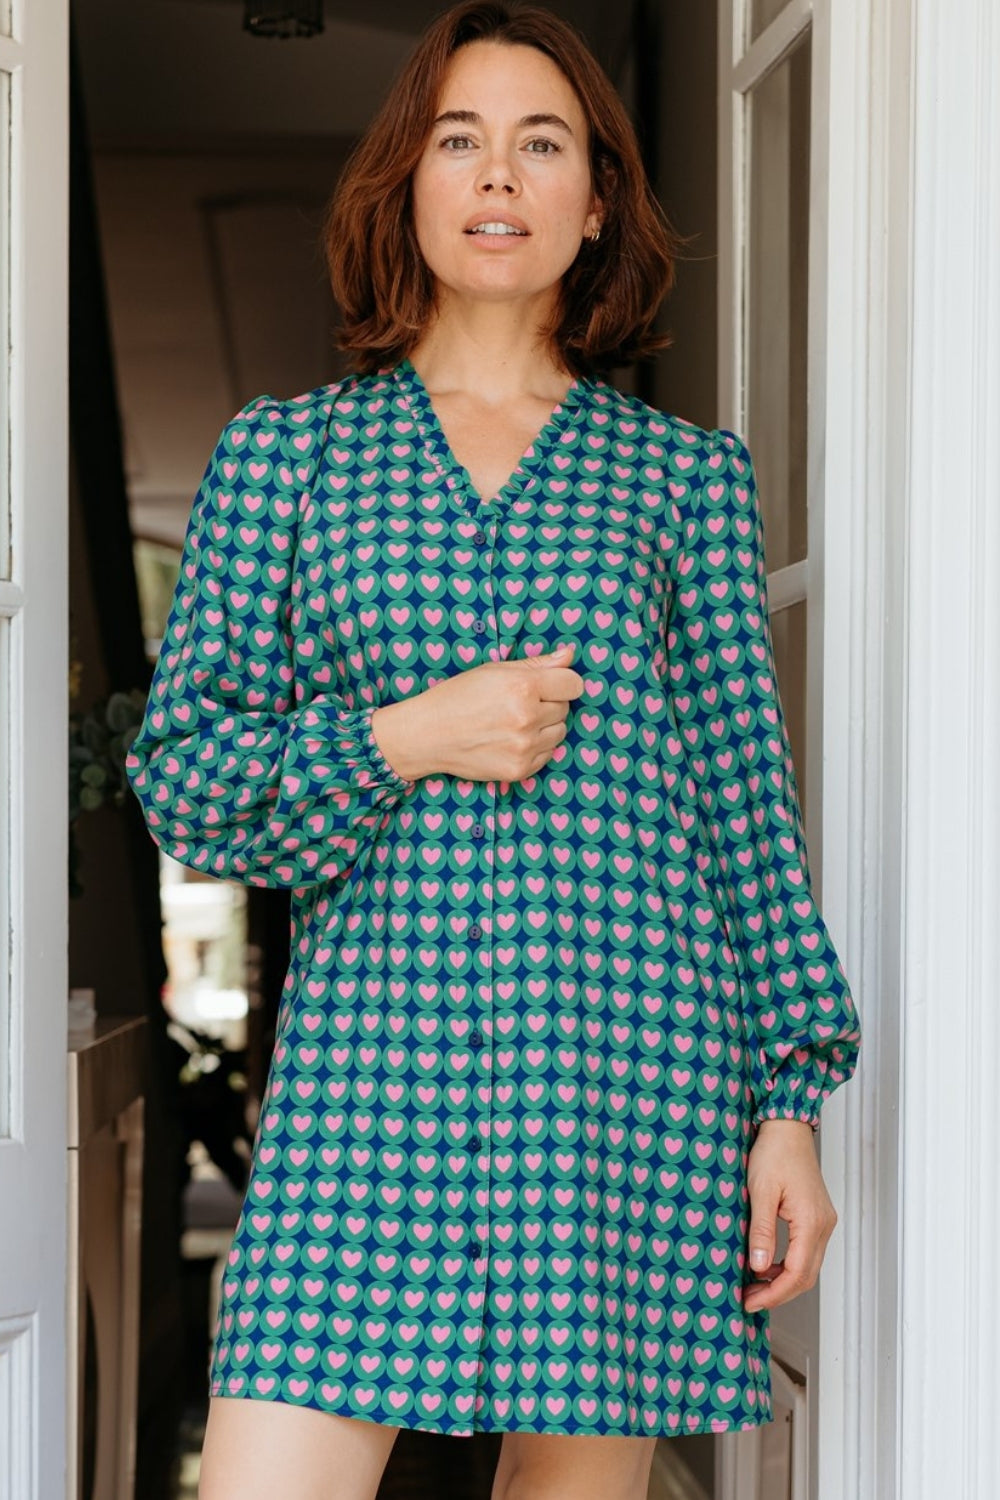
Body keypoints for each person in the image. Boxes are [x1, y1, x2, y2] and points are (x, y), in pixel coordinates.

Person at [125, 3, 862, 1497]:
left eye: (544, 145)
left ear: (597, 207)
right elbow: (188, 782)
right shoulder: (287, 460)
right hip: (370, 1081)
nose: (499, 177)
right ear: (409, 184)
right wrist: (407, 736)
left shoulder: (680, 481)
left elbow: (742, 807)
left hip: (628, 1072)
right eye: (460, 140)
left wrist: (790, 1103)